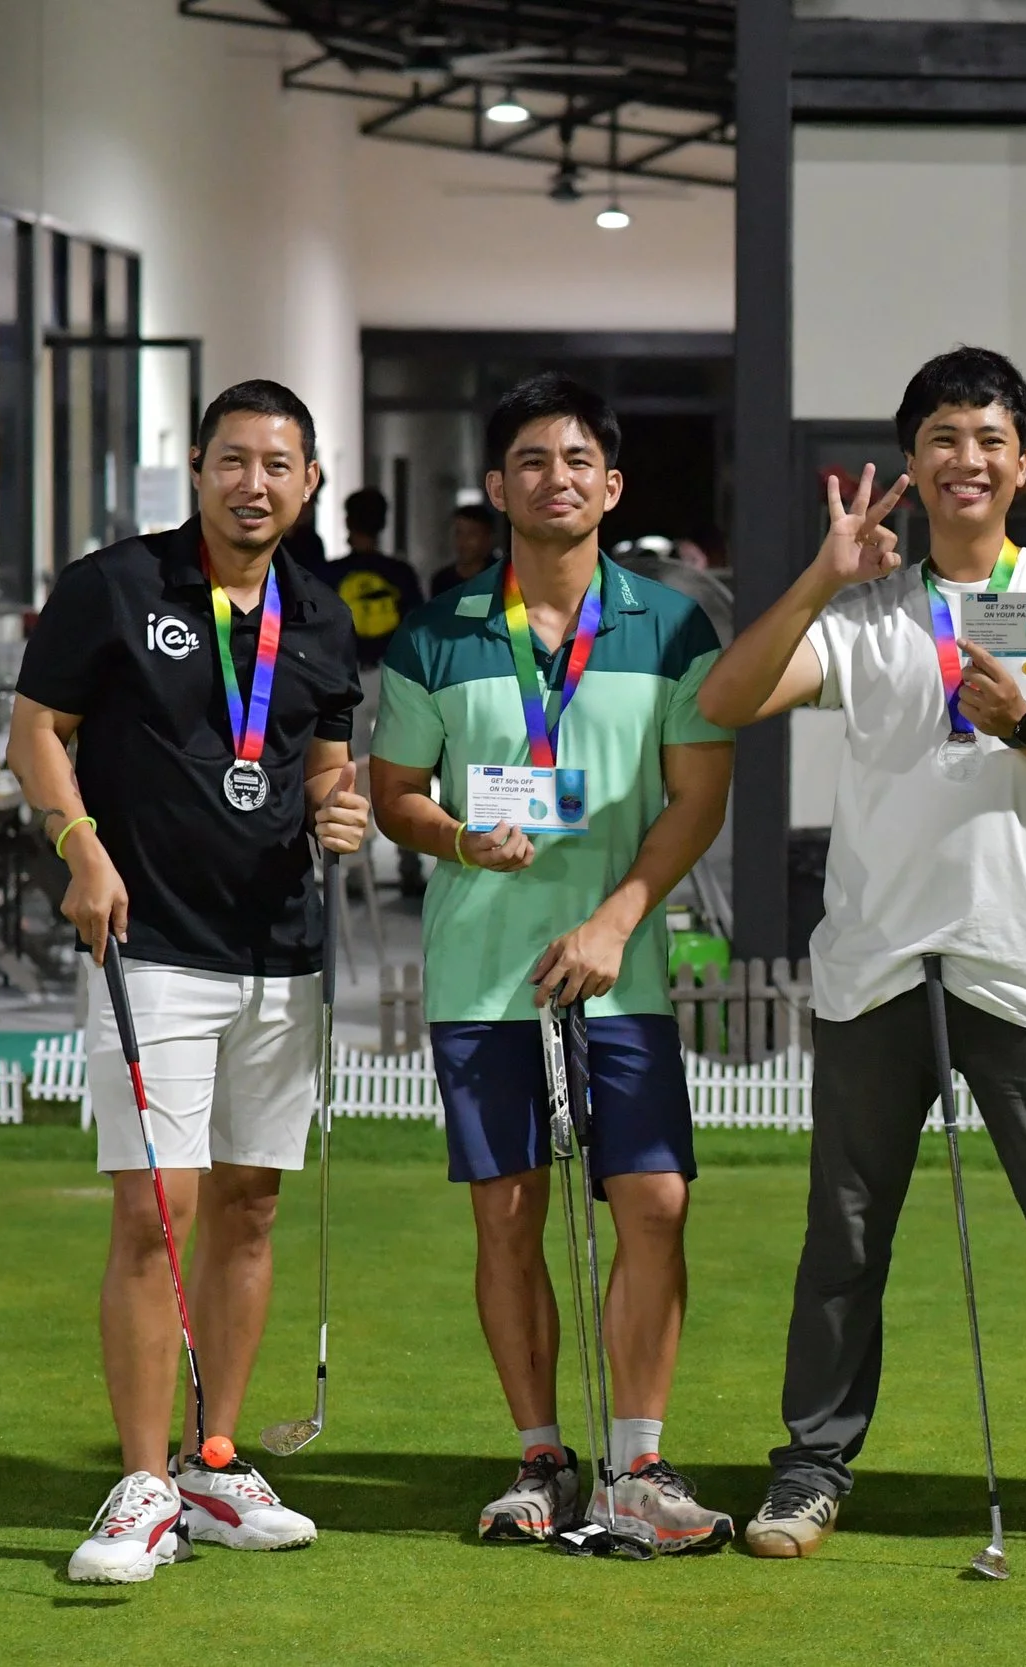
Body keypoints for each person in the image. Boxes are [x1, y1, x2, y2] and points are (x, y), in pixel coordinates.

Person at [697, 347, 1026, 1559]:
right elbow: (725, 702)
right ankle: (812, 1467)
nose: (966, 459)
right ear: (913, 461)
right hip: (876, 963)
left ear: (1021, 461)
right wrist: (819, 576)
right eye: (943, 437)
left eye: (988, 438)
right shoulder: (865, 606)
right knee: (844, 1233)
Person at [7, 379, 369, 1585]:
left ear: (309, 481)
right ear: (197, 469)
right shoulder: (115, 583)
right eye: (232, 460)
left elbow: (321, 761)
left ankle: (214, 1460)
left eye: (278, 464)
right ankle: (143, 1479)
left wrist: (340, 806)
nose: (253, 483)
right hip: (149, 943)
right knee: (152, 1210)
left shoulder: (320, 615)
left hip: (280, 956)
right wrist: (79, 845)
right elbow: (35, 728)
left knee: (251, 1205)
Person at [370, 373, 736, 1553]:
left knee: (656, 1203)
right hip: (484, 970)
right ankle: (541, 1459)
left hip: (617, 966)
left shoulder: (672, 625)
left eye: (578, 459)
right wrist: (458, 834)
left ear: (612, 484)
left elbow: (698, 797)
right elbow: (394, 796)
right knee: (508, 1217)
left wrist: (620, 917)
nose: (556, 476)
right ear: (495, 487)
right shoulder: (435, 633)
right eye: (531, 459)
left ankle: (639, 1462)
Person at [334, 486, 426, 669]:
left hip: (341, 674)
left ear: (347, 522)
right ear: (383, 523)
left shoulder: (327, 574)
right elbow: (417, 628)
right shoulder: (402, 573)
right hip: (392, 672)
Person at [430, 502, 501, 596]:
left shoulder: (502, 577)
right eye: (458, 533)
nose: (463, 541)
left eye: (472, 534)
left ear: (488, 537)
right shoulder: (442, 581)